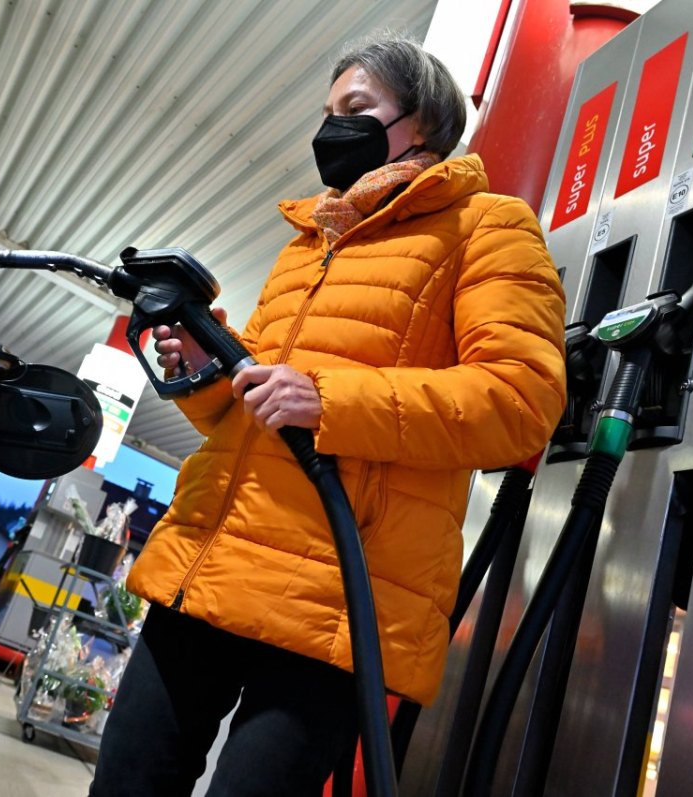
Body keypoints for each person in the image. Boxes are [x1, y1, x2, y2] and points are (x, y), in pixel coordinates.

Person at [89, 30, 567, 796]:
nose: (330, 129)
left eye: (356, 108)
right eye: (326, 111)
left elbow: (521, 403)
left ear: (423, 123)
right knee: (127, 779)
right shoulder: (309, 243)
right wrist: (211, 374)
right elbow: (255, 420)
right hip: (213, 562)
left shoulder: (487, 226)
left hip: (340, 601)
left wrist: (329, 400)